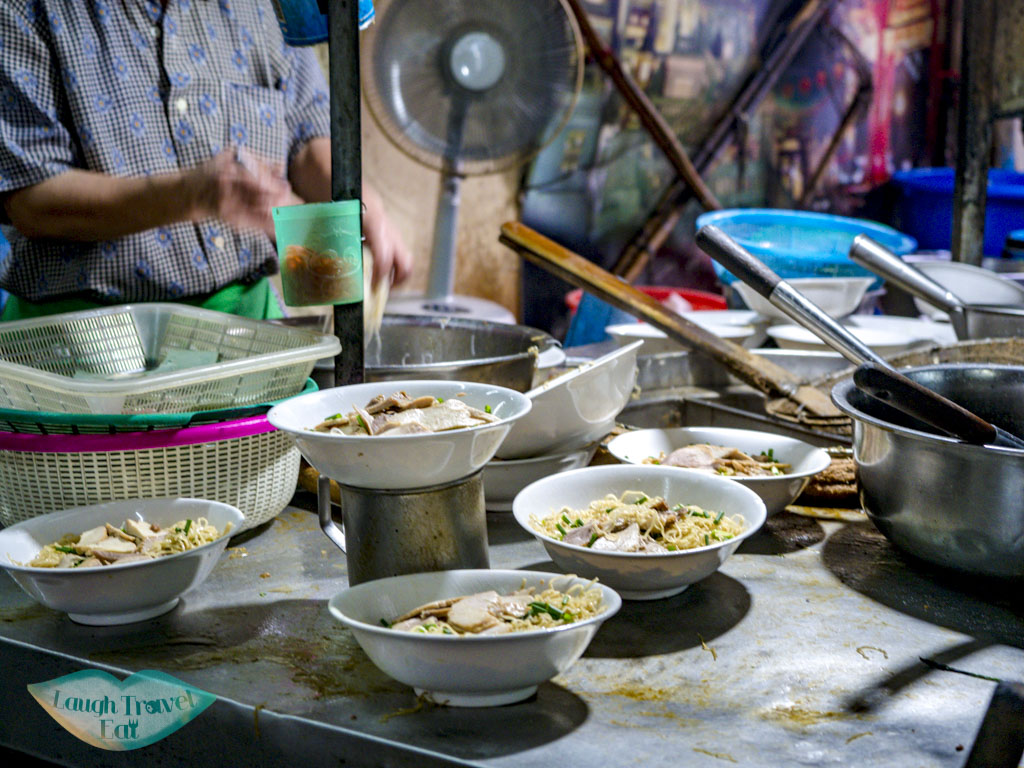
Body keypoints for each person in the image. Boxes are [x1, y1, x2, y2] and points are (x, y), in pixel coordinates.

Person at [0, 0, 412, 321]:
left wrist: (361, 205)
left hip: (248, 327)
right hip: (85, 345)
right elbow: (30, 202)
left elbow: (306, 134)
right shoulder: (29, 10)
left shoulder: (267, 7)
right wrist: (190, 195)